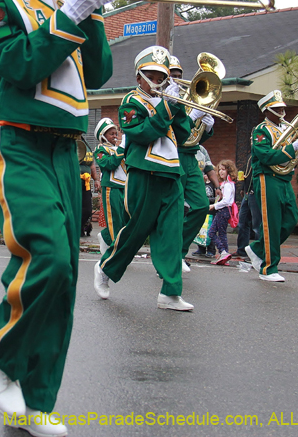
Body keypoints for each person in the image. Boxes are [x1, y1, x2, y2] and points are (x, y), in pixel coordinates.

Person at [0, 0, 113, 433]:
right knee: (47, 258)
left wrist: (93, 12)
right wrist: (71, 13)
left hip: (66, 152)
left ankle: (38, 400)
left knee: (64, 281)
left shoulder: (67, 8)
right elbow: (16, 65)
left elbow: (97, 74)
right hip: (22, 143)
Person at [95, 46, 193, 311]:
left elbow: (185, 137)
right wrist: (166, 109)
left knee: (172, 233)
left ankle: (170, 293)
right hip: (144, 171)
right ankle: (105, 268)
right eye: (152, 74)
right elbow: (142, 133)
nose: (159, 80)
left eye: (162, 75)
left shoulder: (167, 101)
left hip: (172, 172)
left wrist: (185, 111)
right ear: (139, 76)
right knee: (136, 231)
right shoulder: (131, 101)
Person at [244, 90, 298, 282]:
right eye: (276, 108)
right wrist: (292, 149)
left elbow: (287, 156)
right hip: (267, 177)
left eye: (282, 107)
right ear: (267, 111)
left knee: (290, 219)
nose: (282, 111)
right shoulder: (261, 130)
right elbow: (265, 156)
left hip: (284, 178)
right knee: (271, 223)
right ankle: (268, 268)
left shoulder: (285, 129)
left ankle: (257, 248)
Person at [168, 56, 216, 268]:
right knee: (175, 210)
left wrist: (207, 126)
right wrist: (189, 117)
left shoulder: (190, 98)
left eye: (179, 76)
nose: (177, 80)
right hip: (171, 157)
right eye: (172, 76)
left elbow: (195, 137)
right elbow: (170, 132)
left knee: (201, 206)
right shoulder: (163, 99)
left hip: (190, 157)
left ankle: (178, 252)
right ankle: (172, 256)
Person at [93, 118, 127, 255]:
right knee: (114, 219)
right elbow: (109, 164)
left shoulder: (119, 148)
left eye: (116, 133)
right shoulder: (100, 149)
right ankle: (114, 251)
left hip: (124, 187)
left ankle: (105, 237)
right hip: (111, 188)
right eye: (111, 134)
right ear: (102, 136)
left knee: (125, 219)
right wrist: (121, 149)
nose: (115, 136)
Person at [208, 159, 237, 265]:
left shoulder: (228, 185)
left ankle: (223, 251)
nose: (221, 172)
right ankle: (224, 255)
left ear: (229, 171)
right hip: (224, 211)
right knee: (222, 234)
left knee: (211, 233)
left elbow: (226, 201)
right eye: (219, 169)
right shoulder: (225, 183)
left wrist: (214, 206)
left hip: (223, 210)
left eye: (223, 170)